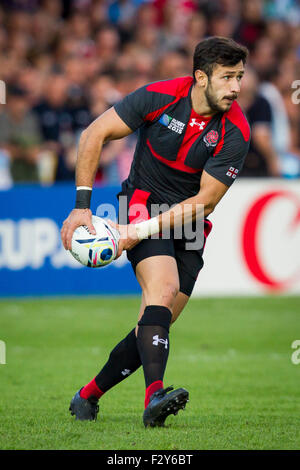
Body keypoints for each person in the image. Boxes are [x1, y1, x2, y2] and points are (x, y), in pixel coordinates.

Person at [61, 37, 250, 427]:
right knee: (161, 293)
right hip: (143, 202)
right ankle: (155, 397)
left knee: (154, 322)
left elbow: (205, 201)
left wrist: (135, 233)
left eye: (240, 77)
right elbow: (93, 134)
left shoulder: (236, 130)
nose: (236, 87)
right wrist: (82, 207)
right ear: (201, 77)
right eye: (228, 77)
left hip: (190, 222)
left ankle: (87, 397)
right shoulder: (158, 96)